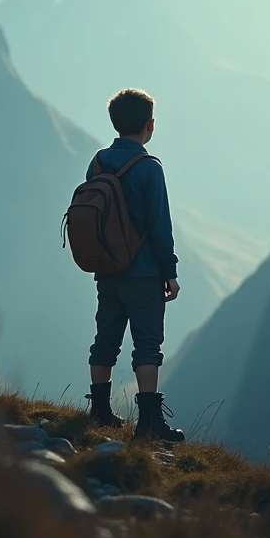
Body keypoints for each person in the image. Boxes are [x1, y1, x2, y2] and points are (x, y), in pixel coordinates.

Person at [86, 88, 185, 442]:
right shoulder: (149, 168)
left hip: (106, 270)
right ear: (150, 126)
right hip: (143, 274)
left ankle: (99, 411)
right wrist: (169, 271)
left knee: (105, 339)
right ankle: (148, 423)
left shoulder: (97, 162)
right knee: (147, 345)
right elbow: (160, 225)